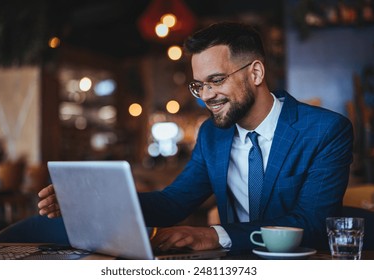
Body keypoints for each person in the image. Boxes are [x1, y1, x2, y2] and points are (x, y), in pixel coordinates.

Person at [38, 22, 353, 253]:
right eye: (198, 85)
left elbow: (313, 223)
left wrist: (215, 235)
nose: (206, 96)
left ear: (255, 73)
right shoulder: (211, 136)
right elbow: (174, 202)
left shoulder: (325, 131)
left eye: (215, 80)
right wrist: (90, 202)